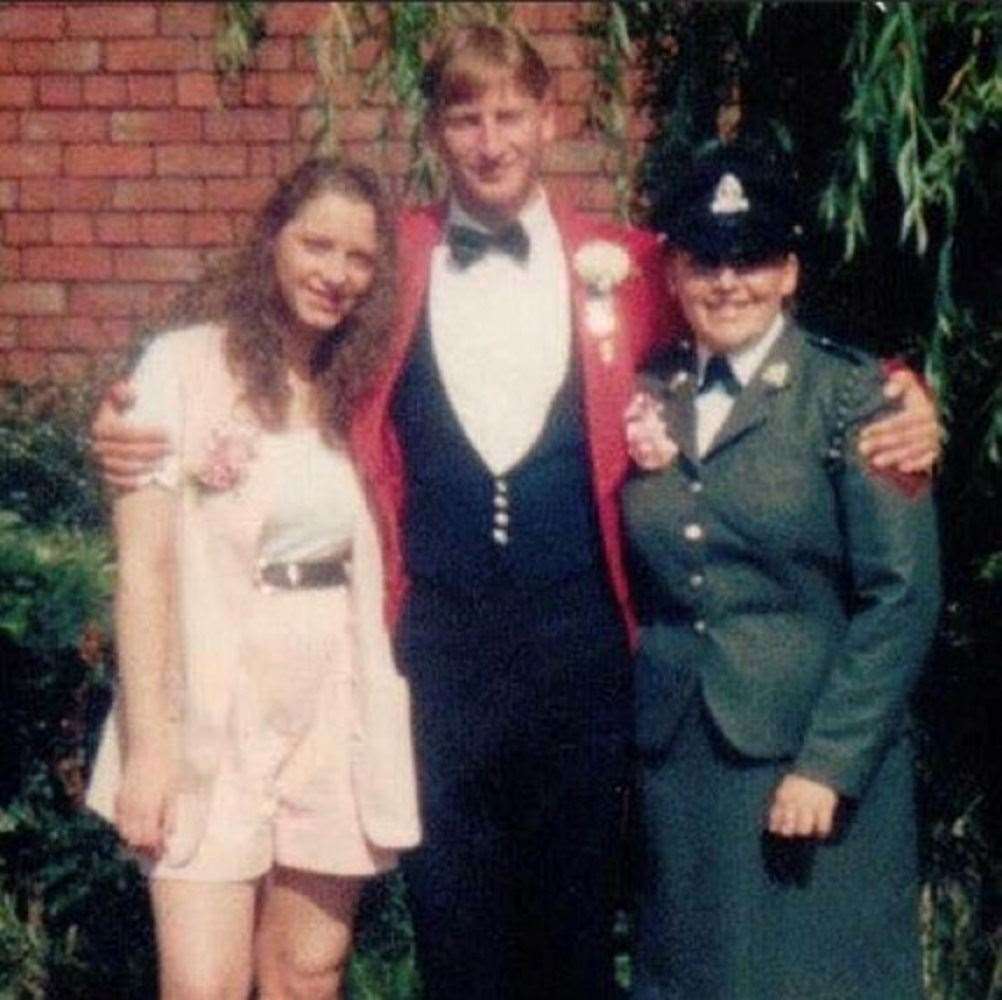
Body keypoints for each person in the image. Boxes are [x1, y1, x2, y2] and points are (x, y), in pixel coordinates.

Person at [91, 26, 942, 999]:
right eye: (465, 118)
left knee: (574, 929)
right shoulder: (390, 261)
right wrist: (129, 417)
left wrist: (896, 389)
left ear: (548, 121)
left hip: (580, 646)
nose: (489, 142)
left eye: (509, 116)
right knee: (455, 924)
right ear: (438, 132)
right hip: (431, 646)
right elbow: (267, 332)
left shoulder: (626, 263)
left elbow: (747, 324)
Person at [86, 159, 419, 1000]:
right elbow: (146, 569)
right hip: (210, 700)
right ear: (273, 238)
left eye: (359, 259)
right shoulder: (181, 365)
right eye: (317, 245)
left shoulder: (368, 387)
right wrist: (149, 751)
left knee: (306, 973)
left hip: (332, 697)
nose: (335, 275)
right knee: (206, 983)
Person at [622, 142, 941, 999]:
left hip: (807, 765)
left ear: (790, 270)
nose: (729, 283)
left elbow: (902, 596)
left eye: (753, 258)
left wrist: (829, 763)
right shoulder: (645, 389)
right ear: (676, 272)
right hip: (678, 771)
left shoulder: (856, 397)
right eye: (706, 261)